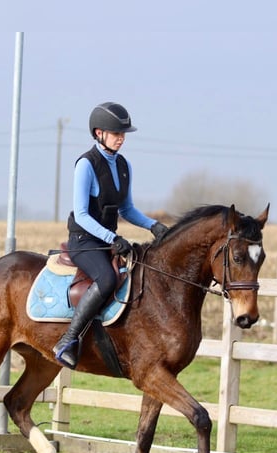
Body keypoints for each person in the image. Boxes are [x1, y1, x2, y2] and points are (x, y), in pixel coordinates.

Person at [53, 101, 169, 369]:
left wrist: (153, 225)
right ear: (98, 133)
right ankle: (68, 340)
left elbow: (126, 209)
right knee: (106, 279)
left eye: (123, 134)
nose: (121, 138)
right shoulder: (86, 164)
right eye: (116, 133)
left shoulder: (123, 165)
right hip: (84, 241)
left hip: (106, 242)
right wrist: (112, 238)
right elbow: (81, 214)